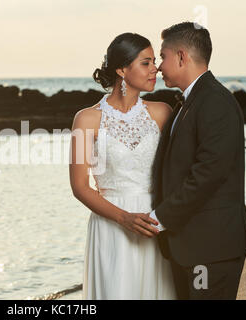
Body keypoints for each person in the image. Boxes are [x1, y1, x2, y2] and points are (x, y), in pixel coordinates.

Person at [150, 21, 246, 300]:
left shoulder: (215, 102)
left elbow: (208, 174)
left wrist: (159, 218)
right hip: (191, 247)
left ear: (182, 56)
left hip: (211, 249)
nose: (159, 66)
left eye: (163, 56)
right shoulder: (188, 102)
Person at [69, 32, 176, 299]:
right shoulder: (86, 119)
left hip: (154, 225)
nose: (155, 69)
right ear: (121, 69)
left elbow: (178, 171)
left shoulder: (162, 112)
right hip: (111, 227)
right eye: (146, 63)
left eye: (154, 62)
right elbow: (80, 187)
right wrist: (124, 218)